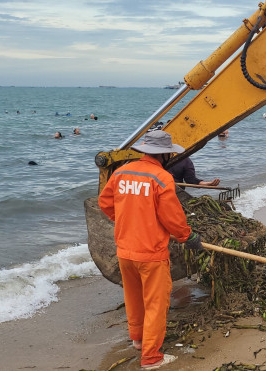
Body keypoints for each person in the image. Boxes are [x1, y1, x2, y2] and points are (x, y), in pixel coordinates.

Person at [98, 130, 204, 369]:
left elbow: (104, 202)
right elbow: (173, 218)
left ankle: (138, 340)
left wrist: (126, 219)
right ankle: (151, 357)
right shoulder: (160, 177)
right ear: (164, 154)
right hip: (151, 253)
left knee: (133, 298)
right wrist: (188, 236)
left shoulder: (121, 172)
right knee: (156, 303)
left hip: (125, 251)